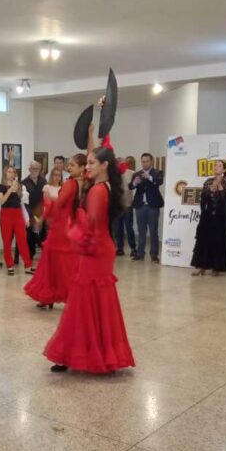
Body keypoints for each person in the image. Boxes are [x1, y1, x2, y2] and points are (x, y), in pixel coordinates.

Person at [44, 146, 134, 373]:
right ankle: (104, 353)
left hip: (94, 250)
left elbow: (90, 225)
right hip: (103, 248)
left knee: (82, 302)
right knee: (99, 300)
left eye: (92, 163)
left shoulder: (97, 191)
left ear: (104, 166)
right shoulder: (107, 187)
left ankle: (74, 354)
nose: (88, 167)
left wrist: (72, 231)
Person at [25, 155, 84, 309]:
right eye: (68, 165)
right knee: (60, 263)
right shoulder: (81, 183)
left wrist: (48, 203)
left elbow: (59, 203)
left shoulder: (71, 183)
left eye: (72, 165)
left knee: (55, 263)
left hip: (60, 227)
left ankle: (53, 296)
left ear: (81, 167)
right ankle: (54, 296)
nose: (68, 168)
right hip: (66, 225)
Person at [191, 159, 226, 276]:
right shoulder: (208, 181)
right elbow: (203, 197)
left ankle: (217, 267)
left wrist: (219, 185)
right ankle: (201, 266)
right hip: (208, 215)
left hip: (221, 216)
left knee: (219, 241)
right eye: (215, 165)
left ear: (224, 170)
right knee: (203, 240)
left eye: (219, 166)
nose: (216, 167)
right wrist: (210, 189)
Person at [0, 166, 34, 276]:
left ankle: (28, 265)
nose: (11, 174)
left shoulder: (20, 186)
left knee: (22, 240)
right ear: (5, 173)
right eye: (9, 172)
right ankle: (10, 265)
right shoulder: (1, 186)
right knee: (7, 241)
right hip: (6, 214)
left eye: (13, 172)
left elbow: (22, 203)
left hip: (18, 214)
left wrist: (26, 218)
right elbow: (2, 202)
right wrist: (9, 190)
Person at [130, 152, 164, 262]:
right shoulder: (136, 173)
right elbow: (130, 187)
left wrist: (148, 177)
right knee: (141, 231)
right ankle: (140, 254)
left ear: (151, 161)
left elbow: (159, 182)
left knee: (153, 230)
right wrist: (135, 183)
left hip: (153, 206)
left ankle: (154, 254)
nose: (144, 164)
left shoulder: (157, 172)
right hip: (140, 206)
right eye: (143, 162)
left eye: (147, 161)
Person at [23, 160, 47, 259]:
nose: (35, 170)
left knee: (45, 232)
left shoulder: (43, 181)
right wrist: (32, 216)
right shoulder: (24, 182)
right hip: (29, 212)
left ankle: (45, 255)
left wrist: (42, 214)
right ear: (29, 169)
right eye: (33, 168)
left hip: (42, 211)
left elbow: (45, 198)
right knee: (30, 234)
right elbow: (24, 202)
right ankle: (30, 255)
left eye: (37, 168)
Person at [115, 156, 137, 257]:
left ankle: (133, 248)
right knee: (118, 228)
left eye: (121, 161)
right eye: (117, 162)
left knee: (129, 228)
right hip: (117, 206)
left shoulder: (131, 173)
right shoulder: (114, 174)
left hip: (128, 205)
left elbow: (134, 186)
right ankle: (120, 248)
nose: (119, 163)